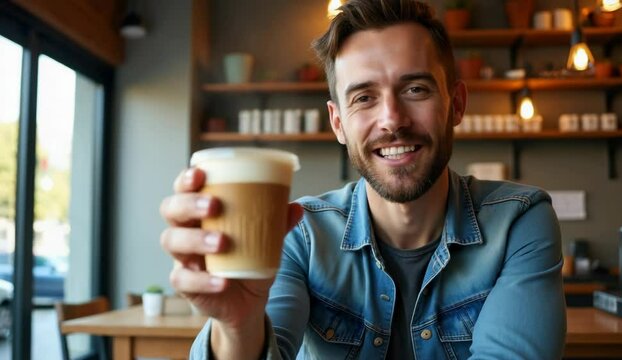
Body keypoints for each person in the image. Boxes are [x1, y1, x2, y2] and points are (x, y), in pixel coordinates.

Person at [160, 0, 567, 358]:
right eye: (364, 97)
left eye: (415, 88)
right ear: (338, 123)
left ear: (455, 104)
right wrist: (237, 327)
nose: (391, 119)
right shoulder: (299, 234)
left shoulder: (519, 221)